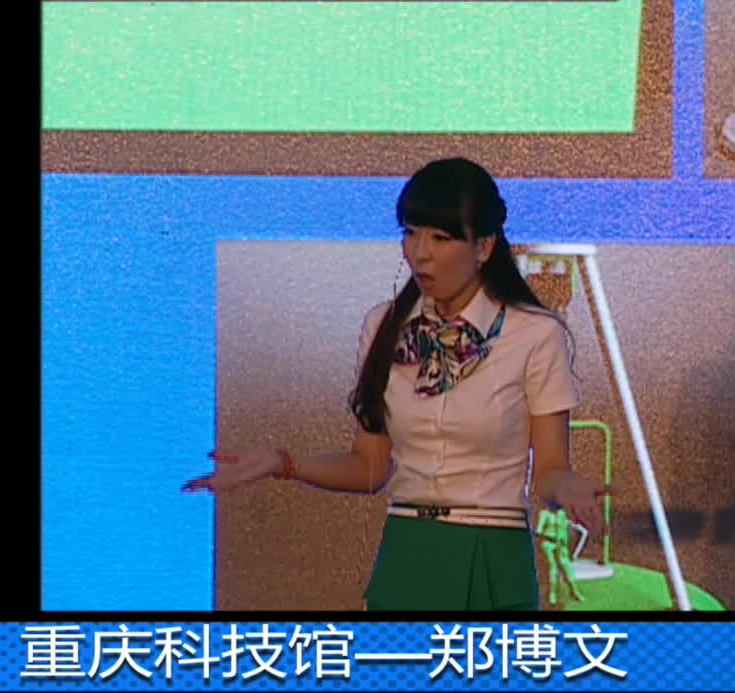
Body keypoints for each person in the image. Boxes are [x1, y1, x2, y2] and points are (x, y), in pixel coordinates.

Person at [183, 157, 604, 611]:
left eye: (440, 238)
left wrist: (567, 489)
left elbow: (549, 470)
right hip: (407, 550)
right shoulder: (385, 327)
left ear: (483, 247)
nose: (419, 253)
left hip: (492, 554)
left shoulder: (534, 334)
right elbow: (369, 467)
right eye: (410, 232)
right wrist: (283, 464)